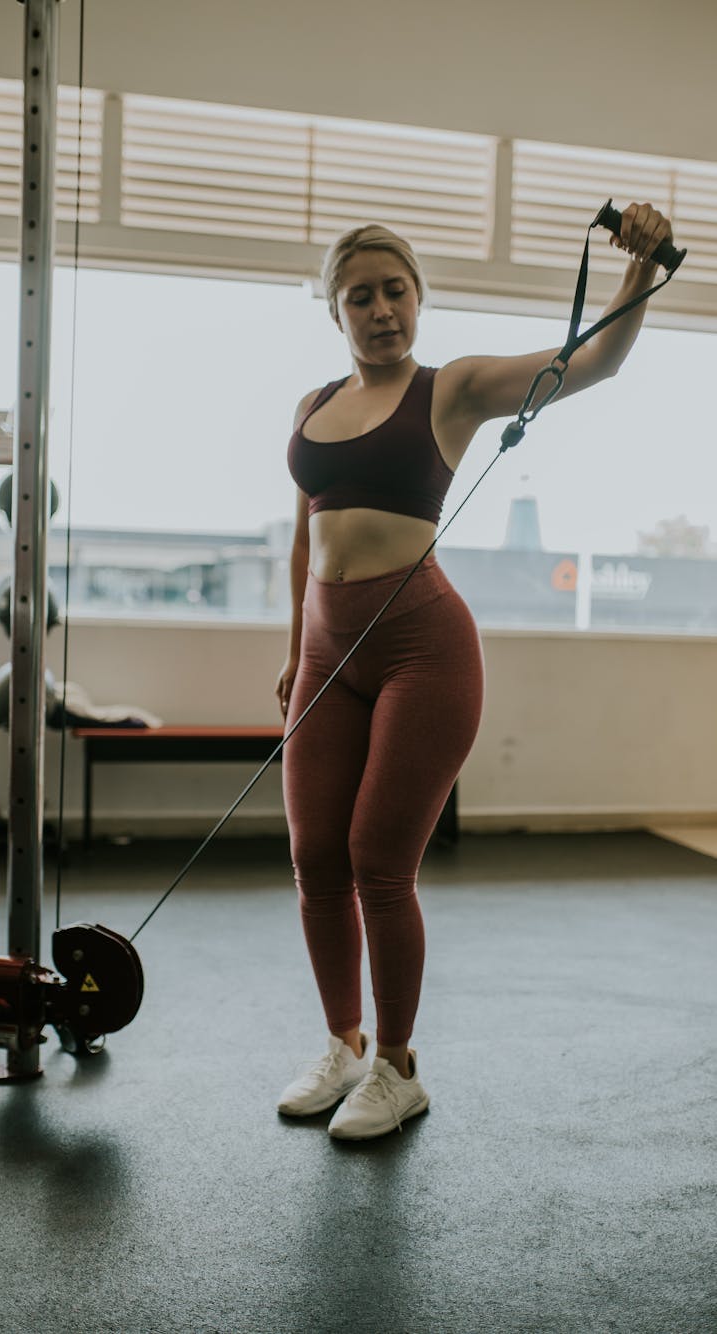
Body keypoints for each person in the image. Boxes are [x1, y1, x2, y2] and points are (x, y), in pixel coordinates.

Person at [274, 204, 672, 1141]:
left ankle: (398, 1066)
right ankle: (342, 1042)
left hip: (423, 646)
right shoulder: (312, 406)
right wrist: (295, 655)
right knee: (313, 860)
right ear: (336, 312)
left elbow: (591, 363)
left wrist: (639, 274)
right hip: (329, 654)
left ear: (419, 298)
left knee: (378, 859)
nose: (381, 311)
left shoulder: (448, 389)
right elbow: (305, 535)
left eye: (396, 291)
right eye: (360, 296)